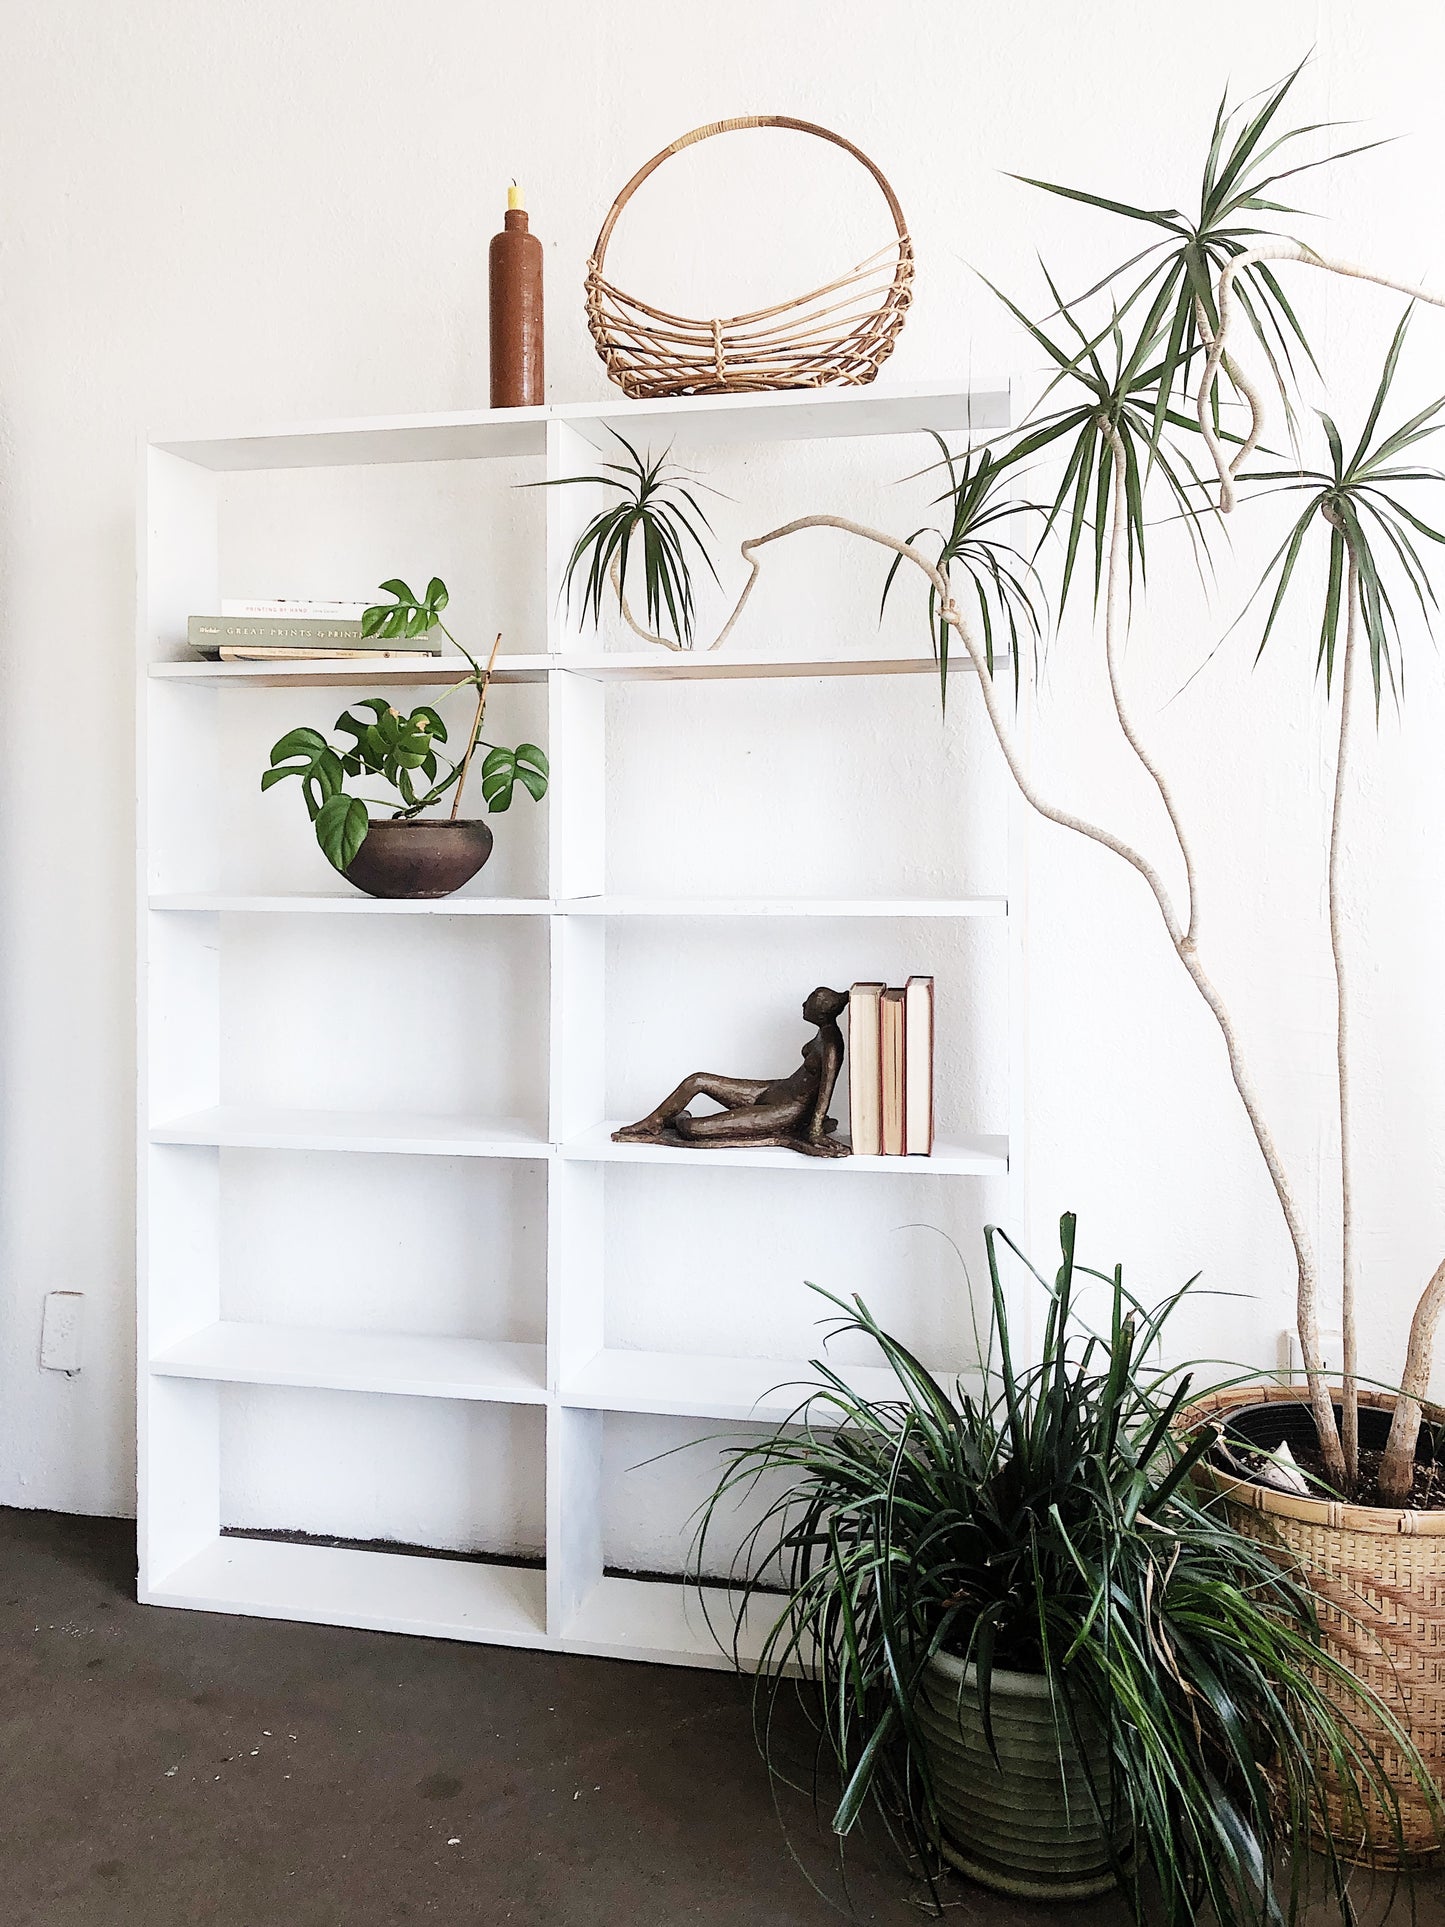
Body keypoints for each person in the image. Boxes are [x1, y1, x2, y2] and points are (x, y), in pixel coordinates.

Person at [613, 986, 850, 1157]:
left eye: (809, 1002)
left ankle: (679, 1119)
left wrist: (815, 1128)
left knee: (691, 1129)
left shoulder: (831, 1045)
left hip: (786, 1110)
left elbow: (826, 1090)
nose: (803, 1005)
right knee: (697, 1080)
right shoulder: (823, 1033)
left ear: (821, 1012)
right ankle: (654, 1121)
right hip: (774, 1089)